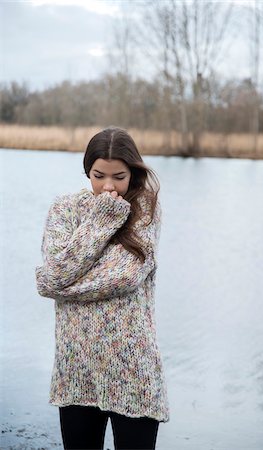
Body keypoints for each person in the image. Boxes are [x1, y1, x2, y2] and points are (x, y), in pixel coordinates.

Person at [35, 126, 170, 450]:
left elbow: (123, 277)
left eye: (119, 177)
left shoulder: (145, 210)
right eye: (99, 176)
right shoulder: (64, 209)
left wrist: (58, 285)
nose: (108, 186)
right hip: (76, 366)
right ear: (87, 171)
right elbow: (57, 272)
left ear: (133, 173)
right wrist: (100, 220)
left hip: (131, 367)